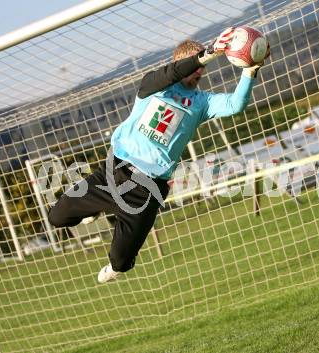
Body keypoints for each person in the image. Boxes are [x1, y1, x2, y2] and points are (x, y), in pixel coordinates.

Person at [48, 28, 270, 283]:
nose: (200, 72)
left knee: (120, 262)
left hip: (147, 189)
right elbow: (172, 73)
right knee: (57, 217)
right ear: (181, 63)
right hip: (114, 171)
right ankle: (95, 209)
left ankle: (114, 257)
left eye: (202, 68)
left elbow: (235, 105)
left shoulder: (201, 103)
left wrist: (250, 70)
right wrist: (206, 55)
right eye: (196, 66)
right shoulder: (153, 85)